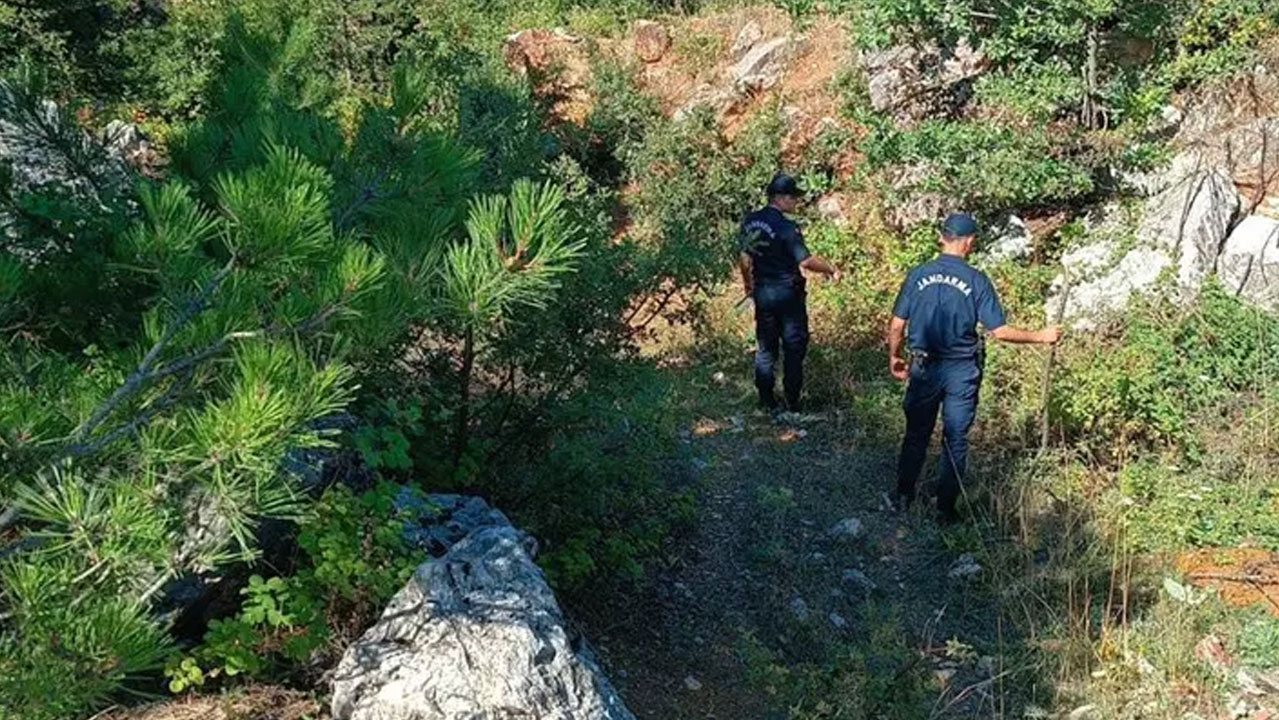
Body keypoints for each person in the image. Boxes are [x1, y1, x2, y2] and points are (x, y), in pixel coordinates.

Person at [887, 212, 1061, 523]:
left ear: (942, 237)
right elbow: (999, 332)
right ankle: (945, 511)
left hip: (924, 366)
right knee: (955, 438)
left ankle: (903, 497)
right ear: (969, 243)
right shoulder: (976, 280)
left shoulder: (917, 275)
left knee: (916, 433)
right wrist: (1041, 336)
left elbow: (897, 324)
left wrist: (895, 356)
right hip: (961, 371)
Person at [738, 173, 840, 414]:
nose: (796, 203)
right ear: (781, 198)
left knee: (766, 347)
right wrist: (831, 269)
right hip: (788, 294)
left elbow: (744, 258)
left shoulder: (750, 222)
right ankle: (792, 402)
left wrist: (748, 285)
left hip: (763, 292)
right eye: (794, 198)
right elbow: (805, 261)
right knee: (794, 347)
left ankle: (766, 401)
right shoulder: (786, 227)